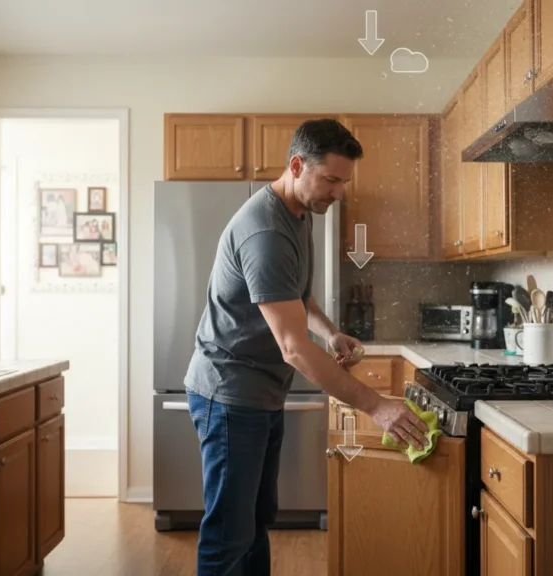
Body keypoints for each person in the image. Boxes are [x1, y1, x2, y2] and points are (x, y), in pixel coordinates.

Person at [183, 118, 429, 576]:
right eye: (331, 179)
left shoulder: (297, 213)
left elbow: (295, 294)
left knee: (256, 522)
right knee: (228, 534)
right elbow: (293, 349)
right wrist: (377, 407)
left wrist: (330, 332)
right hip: (229, 395)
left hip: (258, 394)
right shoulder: (266, 232)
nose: (337, 193)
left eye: (343, 181)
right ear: (297, 165)